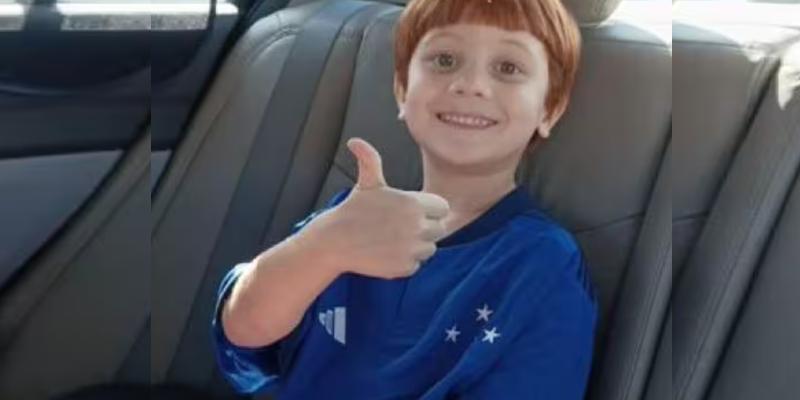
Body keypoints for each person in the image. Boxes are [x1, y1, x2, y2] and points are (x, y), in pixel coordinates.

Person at [212, 0, 597, 398]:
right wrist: (322, 248)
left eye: (508, 68)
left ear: (549, 109)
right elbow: (243, 333)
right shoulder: (354, 217)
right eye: (445, 59)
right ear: (402, 89)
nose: (470, 84)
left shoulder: (544, 263)